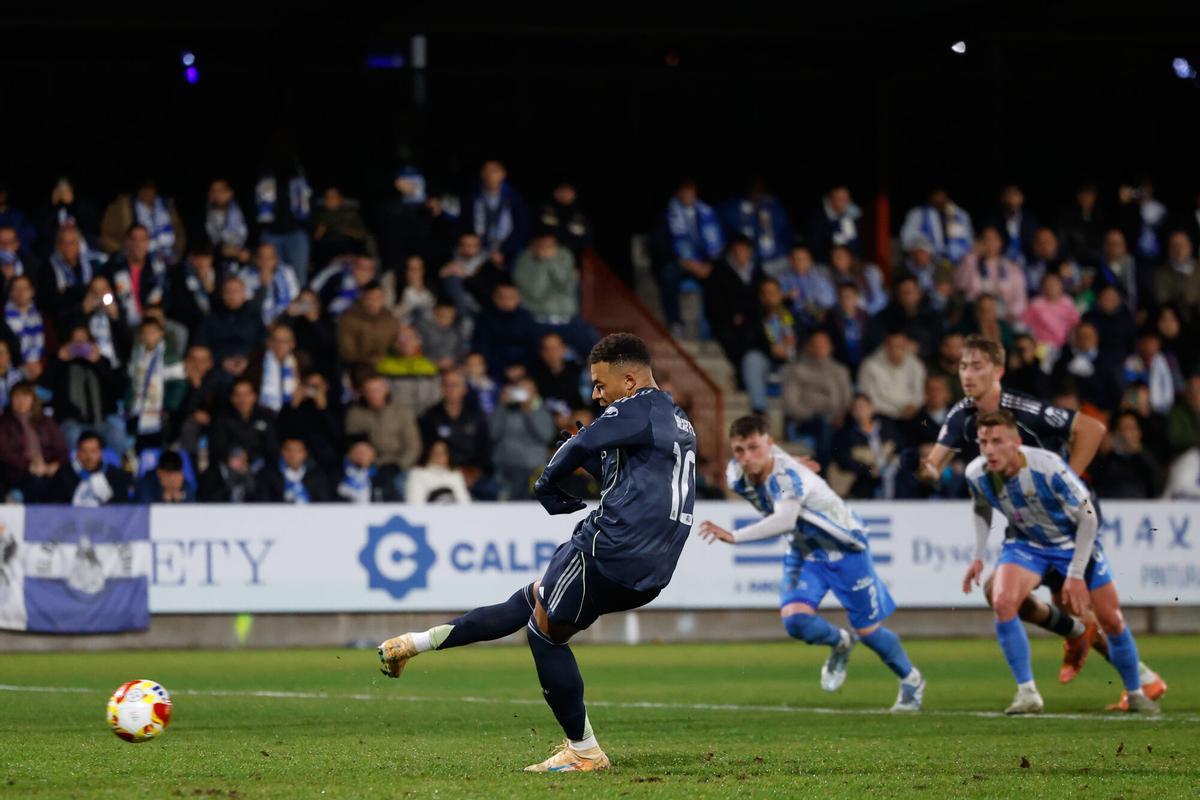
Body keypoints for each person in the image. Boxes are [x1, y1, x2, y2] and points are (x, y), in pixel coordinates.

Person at [378, 333, 697, 772]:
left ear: (629, 380)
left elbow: (583, 444)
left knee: (543, 631)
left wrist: (547, 481)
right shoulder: (675, 419)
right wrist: (589, 460)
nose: (596, 394)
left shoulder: (636, 406)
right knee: (531, 599)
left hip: (611, 548)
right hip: (653, 568)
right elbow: (621, 476)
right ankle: (411, 645)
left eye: (601, 385)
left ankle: (584, 751)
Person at [916, 335, 1143, 690]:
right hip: (1029, 522)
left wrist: (1070, 480)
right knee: (1001, 594)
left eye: (977, 366)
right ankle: (1085, 640)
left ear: (999, 370)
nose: (967, 374)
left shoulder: (1025, 411)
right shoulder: (961, 414)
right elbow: (932, 465)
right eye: (963, 366)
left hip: (1069, 518)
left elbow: (1092, 428)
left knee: (1081, 605)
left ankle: (1134, 673)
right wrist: (920, 469)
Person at [700, 414, 924, 711]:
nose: (747, 457)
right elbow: (776, 480)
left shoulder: (787, 477)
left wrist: (734, 536)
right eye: (740, 450)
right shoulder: (736, 474)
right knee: (795, 621)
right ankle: (840, 643)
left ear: (769, 443)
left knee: (869, 631)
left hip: (846, 548)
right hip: (805, 551)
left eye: (754, 447)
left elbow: (784, 519)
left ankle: (911, 679)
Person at [961, 410, 1159, 714]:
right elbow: (980, 508)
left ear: (1016, 442)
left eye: (997, 441)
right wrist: (977, 556)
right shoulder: (977, 473)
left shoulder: (1047, 467)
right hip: (1028, 545)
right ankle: (1028, 693)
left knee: (1111, 619)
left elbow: (1088, 517)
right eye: (983, 442)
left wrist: (1076, 574)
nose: (989, 449)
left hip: (1072, 543)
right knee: (1002, 600)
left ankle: (1136, 691)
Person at [657, 179, 724, 329]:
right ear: (679, 193)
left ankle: (714, 323)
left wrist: (709, 264)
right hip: (680, 262)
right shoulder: (669, 214)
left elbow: (717, 244)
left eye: (691, 191)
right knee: (668, 275)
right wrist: (684, 262)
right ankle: (675, 323)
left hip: (704, 264)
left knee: (722, 275)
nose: (688, 195)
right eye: (685, 191)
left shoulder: (706, 212)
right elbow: (662, 244)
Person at [418, 368, 493, 498]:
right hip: (441, 472)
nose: (451, 389)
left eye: (455, 385)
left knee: (490, 490)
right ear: (441, 388)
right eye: (447, 385)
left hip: (472, 472)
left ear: (464, 389)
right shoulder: (431, 416)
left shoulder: (476, 415)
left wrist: (474, 472)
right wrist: (451, 473)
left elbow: (485, 447)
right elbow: (428, 448)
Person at [781, 330, 852, 467]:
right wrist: (812, 413)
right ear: (809, 348)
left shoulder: (840, 371)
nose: (820, 349)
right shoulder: (796, 370)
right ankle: (823, 473)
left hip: (836, 420)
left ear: (831, 347)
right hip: (807, 421)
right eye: (816, 345)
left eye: (823, 345)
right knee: (823, 424)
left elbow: (847, 399)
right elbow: (790, 404)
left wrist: (841, 415)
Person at [345, 375, 422, 496]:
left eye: (377, 390)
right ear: (364, 393)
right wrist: (368, 463)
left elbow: (413, 446)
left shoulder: (402, 412)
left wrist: (399, 465)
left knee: (401, 484)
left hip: (399, 464)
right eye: (370, 391)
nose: (374, 394)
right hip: (368, 465)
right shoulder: (355, 414)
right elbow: (355, 445)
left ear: (386, 390)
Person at [490, 376, 556, 500]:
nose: (523, 394)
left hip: (533, 470)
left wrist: (529, 412)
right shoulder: (505, 411)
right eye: (520, 390)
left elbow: (546, 436)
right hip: (506, 469)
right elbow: (493, 434)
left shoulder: (542, 412)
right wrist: (501, 407)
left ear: (534, 393)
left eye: (527, 390)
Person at [0, 381, 67, 501]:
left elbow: (62, 451)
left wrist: (53, 465)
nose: (21, 401)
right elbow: (4, 453)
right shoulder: (4, 422)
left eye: (25, 396)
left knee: (64, 482)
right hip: (18, 472)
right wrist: (29, 465)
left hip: (47, 469)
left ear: (33, 399)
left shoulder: (46, 422)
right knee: (37, 484)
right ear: (11, 400)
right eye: (17, 397)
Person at [830, 393, 903, 499]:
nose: (860, 411)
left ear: (871, 408)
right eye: (855, 408)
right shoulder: (845, 434)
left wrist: (892, 463)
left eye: (862, 407)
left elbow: (900, 447)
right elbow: (844, 459)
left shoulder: (888, 428)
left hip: (891, 471)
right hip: (864, 476)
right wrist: (868, 469)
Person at [99, 178, 185, 262]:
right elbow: (107, 238)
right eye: (144, 188)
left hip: (169, 257)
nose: (148, 192)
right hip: (138, 261)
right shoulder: (123, 208)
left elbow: (180, 233)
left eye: (151, 188)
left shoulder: (166, 206)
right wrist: (125, 256)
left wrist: (177, 253)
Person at [955, 226, 1027, 324]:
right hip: (975, 319)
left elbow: (1020, 298)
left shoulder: (1012, 268)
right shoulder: (971, 263)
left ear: (1000, 242)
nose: (989, 243)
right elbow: (960, 285)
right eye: (986, 239)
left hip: (1006, 320)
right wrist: (972, 255)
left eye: (993, 239)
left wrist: (1009, 315)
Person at [719, 178, 794, 268]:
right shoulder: (731, 208)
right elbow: (722, 236)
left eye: (759, 188)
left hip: (775, 260)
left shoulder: (774, 206)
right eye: (753, 188)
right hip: (744, 262)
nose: (756, 192)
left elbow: (787, 233)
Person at [1090, 411, 1165, 499]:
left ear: (1139, 433)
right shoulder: (1108, 457)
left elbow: (1159, 482)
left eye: (1133, 428)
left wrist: (1141, 453)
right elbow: (1095, 478)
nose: (1129, 434)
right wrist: (1103, 453)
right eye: (1125, 428)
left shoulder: (1147, 456)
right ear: (1116, 432)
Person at [46, 430, 131, 506]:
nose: (88, 457)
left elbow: (122, 510)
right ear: (77, 453)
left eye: (93, 451)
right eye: (84, 451)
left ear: (100, 453)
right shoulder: (63, 475)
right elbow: (55, 508)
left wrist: (108, 498)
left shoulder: (116, 476)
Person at [209, 378, 279, 470]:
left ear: (254, 396)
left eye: (246, 394)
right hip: (231, 469)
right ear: (232, 398)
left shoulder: (266, 417)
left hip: (262, 470)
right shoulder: (222, 420)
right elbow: (218, 450)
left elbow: (272, 449)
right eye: (238, 395)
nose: (242, 399)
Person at [337, 281, 398, 384]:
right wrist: (370, 359)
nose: (374, 302)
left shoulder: (390, 319)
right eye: (370, 298)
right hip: (358, 367)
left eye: (378, 298)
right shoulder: (349, 318)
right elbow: (347, 351)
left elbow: (395, 344)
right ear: (363, 298)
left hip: (386, 365)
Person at [194, 276, 266, 363]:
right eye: (228, 292)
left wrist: (248, 361)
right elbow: (201, 347)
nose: (232, 295)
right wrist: (222, 361)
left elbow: (262, 345)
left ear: (244, 294)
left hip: (249, 366)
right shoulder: (211, 319)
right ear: (222, 295)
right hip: (218, 365)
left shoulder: (254, 317)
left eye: (236, 291)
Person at [858, 331, 925, 422]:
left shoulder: (915, 364)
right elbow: (870, 399)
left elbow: (920, 391)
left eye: (901, 346)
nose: (897, 350)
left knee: (927, 426)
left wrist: (914, 405)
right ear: (885, 346)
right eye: (893, 346)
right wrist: (898, 412)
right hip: (883, 416)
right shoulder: (869, 365)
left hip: (912, 413)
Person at [470, 160, 529, 265]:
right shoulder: (473, 196)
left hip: (507, 249)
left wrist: (503, 251)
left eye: (494, 171)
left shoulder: (514, 197)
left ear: (503, 174)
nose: (490, 175)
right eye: (486, 171)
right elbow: (466, 223)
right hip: (476, 247)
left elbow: (522, 227)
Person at [900, 187, 974, 264]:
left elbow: (968, 240)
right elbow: (907, 239)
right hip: (929, 262)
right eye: (936, 195)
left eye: (942, 195)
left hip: (956, 262)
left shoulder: (960, 215)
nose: (940, 198)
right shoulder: (918, 214)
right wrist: (922, 248)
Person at [239, 242, 301, 326]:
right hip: (256, 323)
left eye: (270, 257)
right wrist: (263, 286)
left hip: (284, 321)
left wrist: (298, 308)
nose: (266, 261)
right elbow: (249, 308)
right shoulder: (245, 274)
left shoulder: (287, 271)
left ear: (276, 259)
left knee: (309, 306)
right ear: (255, 259)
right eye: (262, 257)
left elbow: (296, 299)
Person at [256, 436, 331, 503]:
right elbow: (264, 502)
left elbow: (324, 502)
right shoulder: (270, 475)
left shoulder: (317, 476)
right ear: (282, 452)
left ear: (305, 454)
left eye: (297, 450)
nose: (292, 454)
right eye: (289, 450)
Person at [312, 186, 370, 266]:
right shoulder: (320, 215)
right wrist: (322, 227)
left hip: (349, 247)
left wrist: (345, 230)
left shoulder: (351, 213)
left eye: (333, 197)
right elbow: (316, 238)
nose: (330, 200)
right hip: (327, 250)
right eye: (327, 197)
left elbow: (363, 234)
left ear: (340, 199)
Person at [802, 185, 861, 263]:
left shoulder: (855, 216)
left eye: (845, 198)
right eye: (839, 198)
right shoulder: (817, 219)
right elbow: (815, 248)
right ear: (830, 199)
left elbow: (858, 244)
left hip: (852, 263)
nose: (842, 202)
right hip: (827, 264)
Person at [1021, 272, 1080, 349]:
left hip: (1065, 345)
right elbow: (1023, 324)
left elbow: (1076, 323)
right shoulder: (1036, 304)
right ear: (1043, 287)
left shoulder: (1068, 302)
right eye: (1048, 284)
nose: (1052, 287)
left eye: (1055, 284)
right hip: (1042, 346)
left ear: (1061, 285)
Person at [537, 181, 593, 259]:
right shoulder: (545, 210)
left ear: (574, 194)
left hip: (572, 256)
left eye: (568, 191)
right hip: (544, 253)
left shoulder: (581, 216)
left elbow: (587, 242)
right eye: (561, 190)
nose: (564, 194)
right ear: (555, 192)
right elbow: (535, 231)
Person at [405, 439, 472, 504]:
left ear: (449, 455)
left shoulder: (455, 474)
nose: (439, 456)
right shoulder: (417, 473)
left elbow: (465, 502)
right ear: (428, 454)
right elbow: (415, 503)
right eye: (435, 452)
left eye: (443, 452)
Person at [4, 275, 44, 369]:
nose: (20, 292)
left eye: (24, 288)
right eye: (16, 288)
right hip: (11, 367)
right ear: (10, 293)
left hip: (37, 366)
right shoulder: (2, 317)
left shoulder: (42, 317)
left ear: (32, 291)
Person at [336, 438, 389, 503]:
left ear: (373, 456)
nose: (361, 455)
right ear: (349, 454)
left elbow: (395, 504)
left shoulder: (382, 478)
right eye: (358, 452)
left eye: (365, 452)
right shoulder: (337, 474)